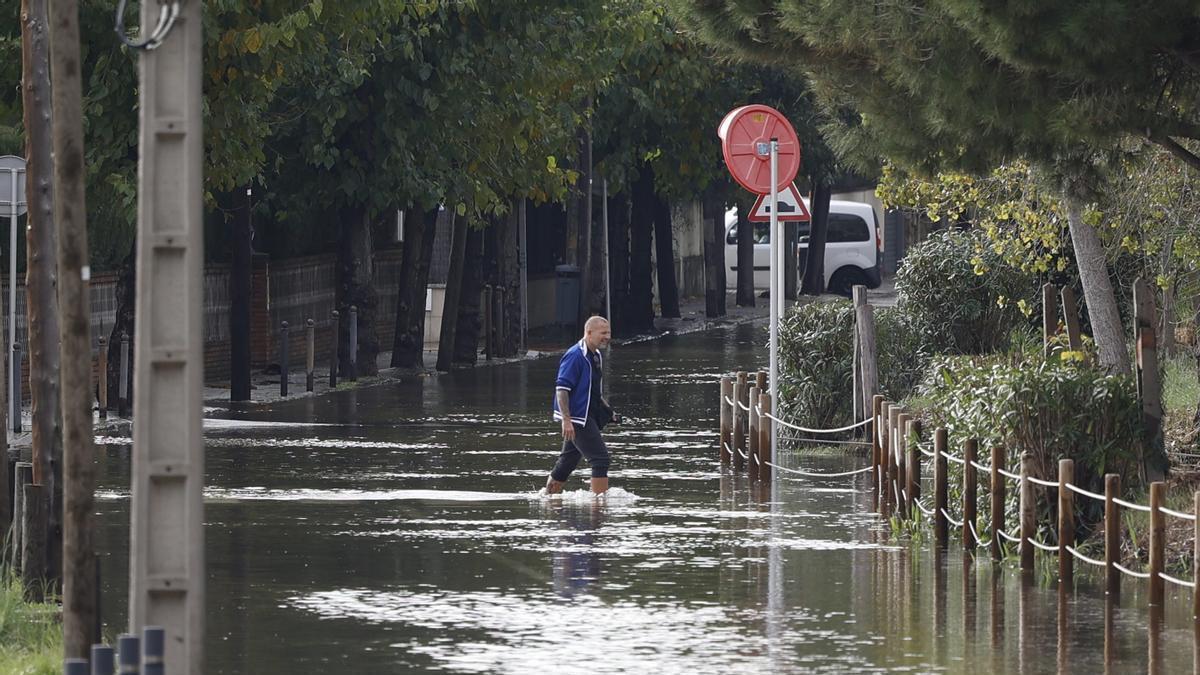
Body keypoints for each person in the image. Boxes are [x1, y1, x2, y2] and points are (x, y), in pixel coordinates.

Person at [546, 316, 614, 495]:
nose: (607, 336)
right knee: (600, 460)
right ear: (589, 333)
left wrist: (609, 412)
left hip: (587, 415)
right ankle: (599, 509)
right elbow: (561, 389)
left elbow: (594, 392)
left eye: (608, 332)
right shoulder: (575, 355)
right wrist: (566, 421)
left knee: (567, 462)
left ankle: (549, 500)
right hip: (577, 418)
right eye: (603, 333)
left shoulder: (596, 355)